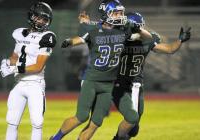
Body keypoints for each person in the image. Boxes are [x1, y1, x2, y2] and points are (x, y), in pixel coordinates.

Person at [50, 0, 152, 140]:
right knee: (82, 116)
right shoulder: (94, 30)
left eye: (121, 13)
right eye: (116, 13)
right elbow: (80, 38)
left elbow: (148, 37)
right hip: (91, 80)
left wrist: (138, 29)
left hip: (108, 84)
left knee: (96, 122)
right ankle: (55, 138)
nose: (120, 16)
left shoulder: (124, 29)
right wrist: (68, 42)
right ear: (106, 14)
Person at [112, 12, 191, 140]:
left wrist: (180, 40)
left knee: (133, 129)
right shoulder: (118, 39)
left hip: (137, 86)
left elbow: (170, 49)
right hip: (120, 84)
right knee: (132, 120)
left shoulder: (147, 40)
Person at [0, 2, 56, 140]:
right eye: (40, 18)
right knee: (11, 121)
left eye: (45, 19)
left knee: (37, 122)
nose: (42, 21)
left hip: (35, 83)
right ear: (32, 16)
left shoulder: (47, 36)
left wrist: (13, 69)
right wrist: (7, 63)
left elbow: (38, 66)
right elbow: (15, 57)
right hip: (19, 84)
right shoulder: (20, 33)